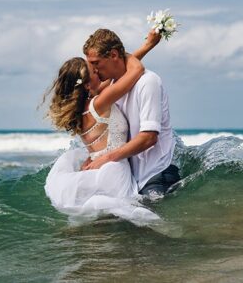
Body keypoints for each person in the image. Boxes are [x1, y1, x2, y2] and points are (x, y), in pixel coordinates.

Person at [42, 30, 161, 224]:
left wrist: (139, 49)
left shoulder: (79, 112)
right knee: (125, 215)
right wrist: (144, 47)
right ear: (87, 83)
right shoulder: (99, 103)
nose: (98, 72)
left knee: (104, 218)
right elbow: (134, 71)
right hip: (113, 168)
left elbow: (119, 74)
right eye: (93, 71)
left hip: (95, 167)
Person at [83, 28, 180, 198]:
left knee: (148, 222)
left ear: (113, 55)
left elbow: (149, 137)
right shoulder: (113, 86)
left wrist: (105, 159)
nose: (94, 70)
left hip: (155, 174)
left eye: (96, 63)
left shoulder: (147, 82)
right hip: (132, 177)